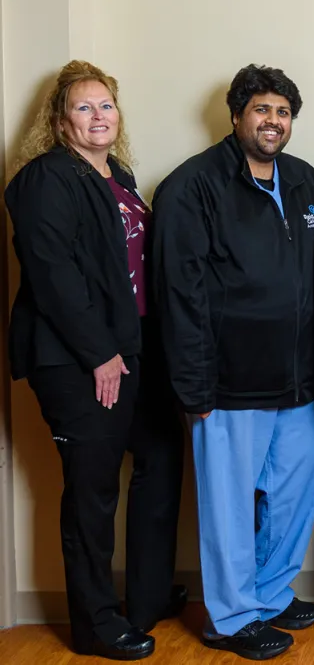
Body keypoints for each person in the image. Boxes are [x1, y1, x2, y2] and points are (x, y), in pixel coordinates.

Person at [152, 64, 314, 660]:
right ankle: (230, 619)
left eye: (282, 112)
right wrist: (194, 386)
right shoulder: (192, 186)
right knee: (228, 508)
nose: (272, 122)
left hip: (300, 381)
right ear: (236, 115)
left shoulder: (305, 181)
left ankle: (271, 592)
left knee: (293, 494)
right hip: (227, 385)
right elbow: (181, 296)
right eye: (261, 110)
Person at [6, 60, 186, 661]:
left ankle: (148, 594)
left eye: (105, 105)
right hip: (77, 359)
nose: (97, 116)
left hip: (131, 349)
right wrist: (99, 354)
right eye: (84, 107)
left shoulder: (120, 177)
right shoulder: (44, 179)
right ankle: (95, 624)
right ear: (60, 121)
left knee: (161, 454)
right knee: (91, 491)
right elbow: (54, 276)